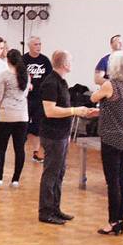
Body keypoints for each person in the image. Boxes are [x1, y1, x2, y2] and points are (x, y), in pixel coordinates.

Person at [39, 51, 97, 225]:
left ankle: (55, 208)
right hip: (52, 135)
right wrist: (74, 111)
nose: (72, 63)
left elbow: (64, 107)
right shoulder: (50, 83)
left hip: (62, 134)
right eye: (70, 61)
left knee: (59, 172)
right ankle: (46, 211)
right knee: (51, 173)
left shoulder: (62, 82)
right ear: (64, 64)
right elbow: (50, 111)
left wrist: (81, 111)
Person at [90, 51, 123, 236]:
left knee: (112, 182)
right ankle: (121, 220)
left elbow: (94, 98)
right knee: (121, 180)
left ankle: (113, 221)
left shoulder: (110, 85)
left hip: (111, 138)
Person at [0, 49, 30, 189]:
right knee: (19, 148)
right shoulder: (26, 75)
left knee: (0, 148)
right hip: (22, 116)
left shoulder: (4, 75)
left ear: (8, 60)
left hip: (6, 115)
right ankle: (15, 179)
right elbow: (25, 94)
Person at [22, 36, 52, 163]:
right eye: (35, 44)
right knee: (23, 125)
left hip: (40, 98)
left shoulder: (45, 60)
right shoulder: (23, 59)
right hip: (26, 98)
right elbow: (19, 76)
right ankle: (20, 150)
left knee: (38, 126)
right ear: (29, 46)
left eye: (40, 44)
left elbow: (50, 77)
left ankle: (36, 152)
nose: (38, 47)